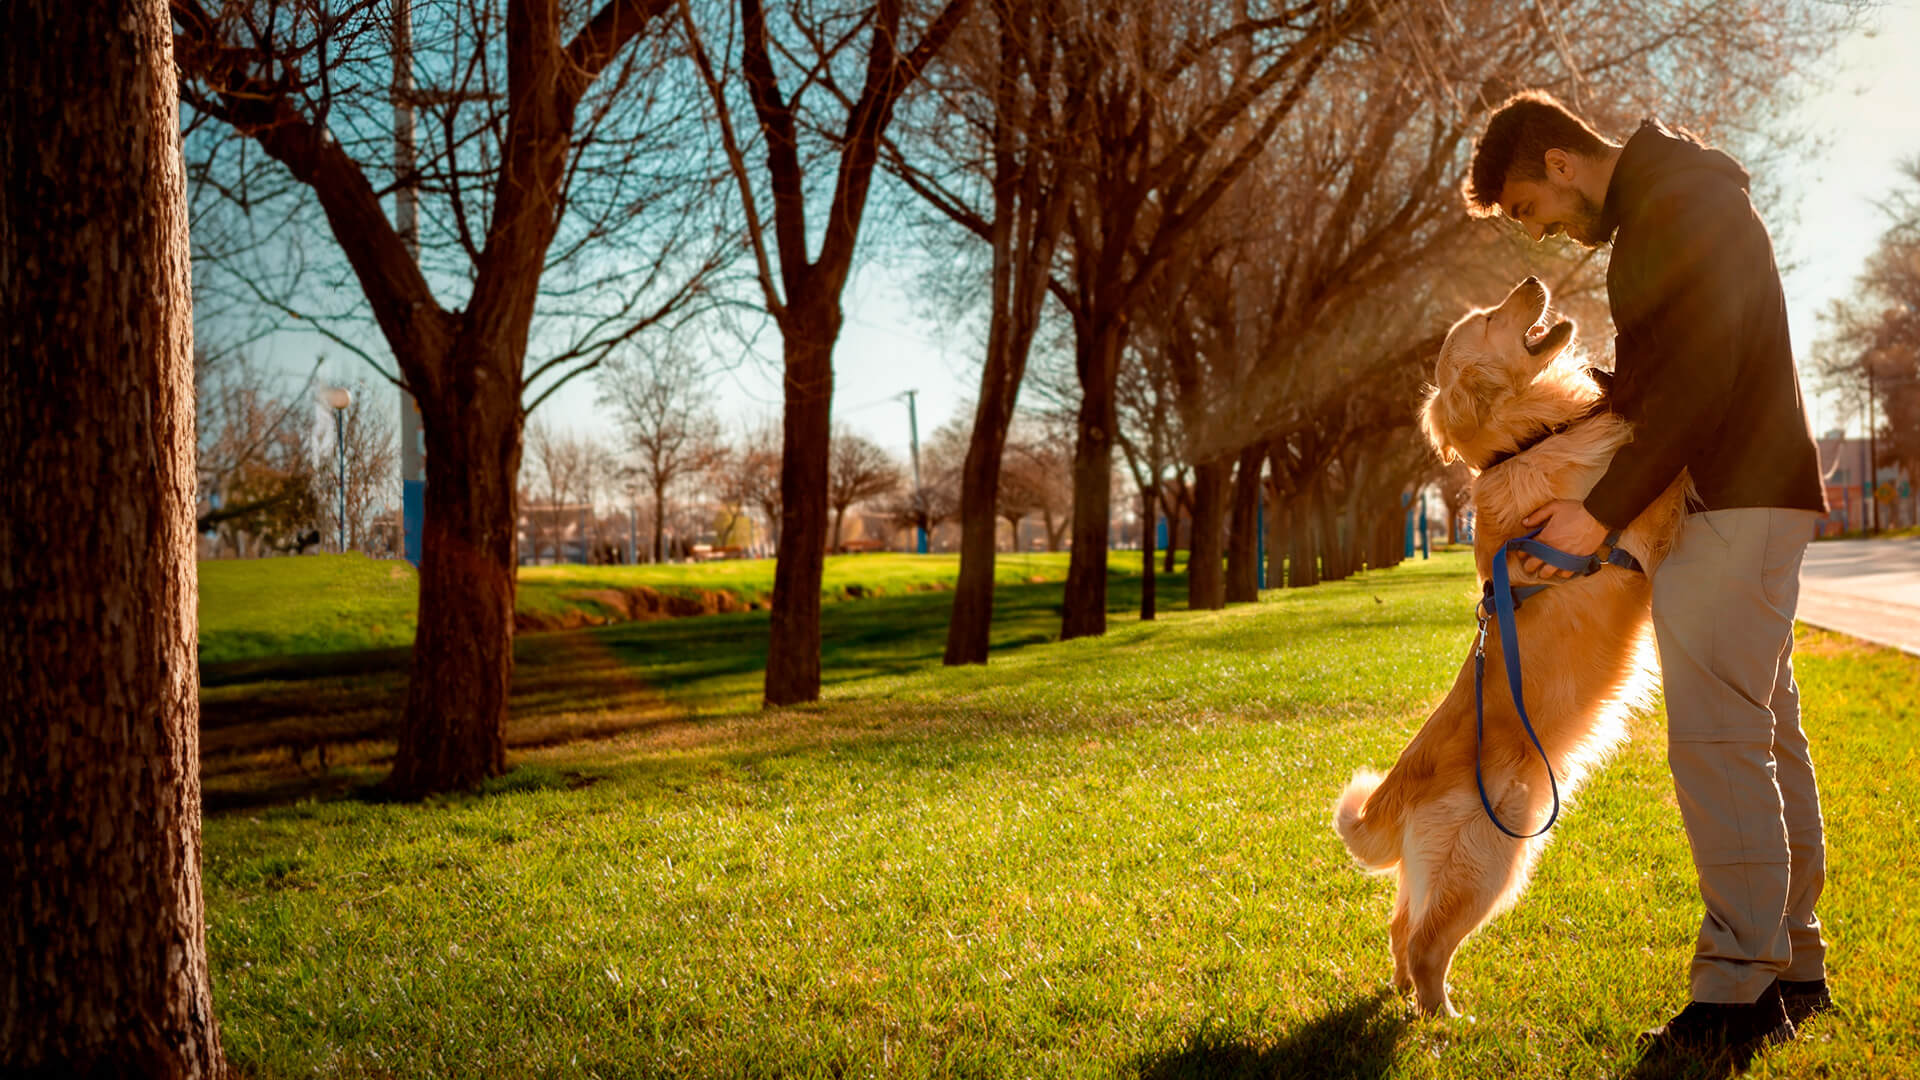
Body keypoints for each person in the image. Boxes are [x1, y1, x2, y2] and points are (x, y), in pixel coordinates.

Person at [1462, 91, 1833, 1069]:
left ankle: (1737, 991)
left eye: (1531, 212)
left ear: (1560, 162)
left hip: (1732, 495)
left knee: (1718, 742)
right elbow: (1658, 380)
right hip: (1745, 494)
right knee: (1761, 730)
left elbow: (1700, 378)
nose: (1544, 235)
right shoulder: (1675, 205)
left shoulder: (1677, 208)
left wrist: (1599, 510)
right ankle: (1793, 968)